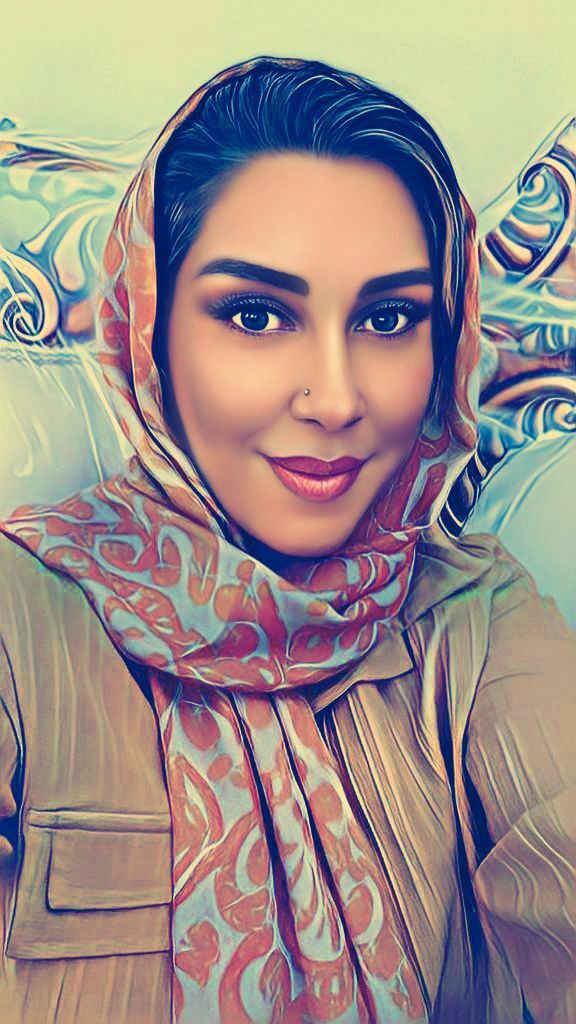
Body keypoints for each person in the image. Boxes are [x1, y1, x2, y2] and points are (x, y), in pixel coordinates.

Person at [0, 54, 574, 1024]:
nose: (336, 399)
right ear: (149, 329)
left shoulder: (476, 620)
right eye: (257, 314)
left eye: (389, 318)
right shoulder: (24, 607)